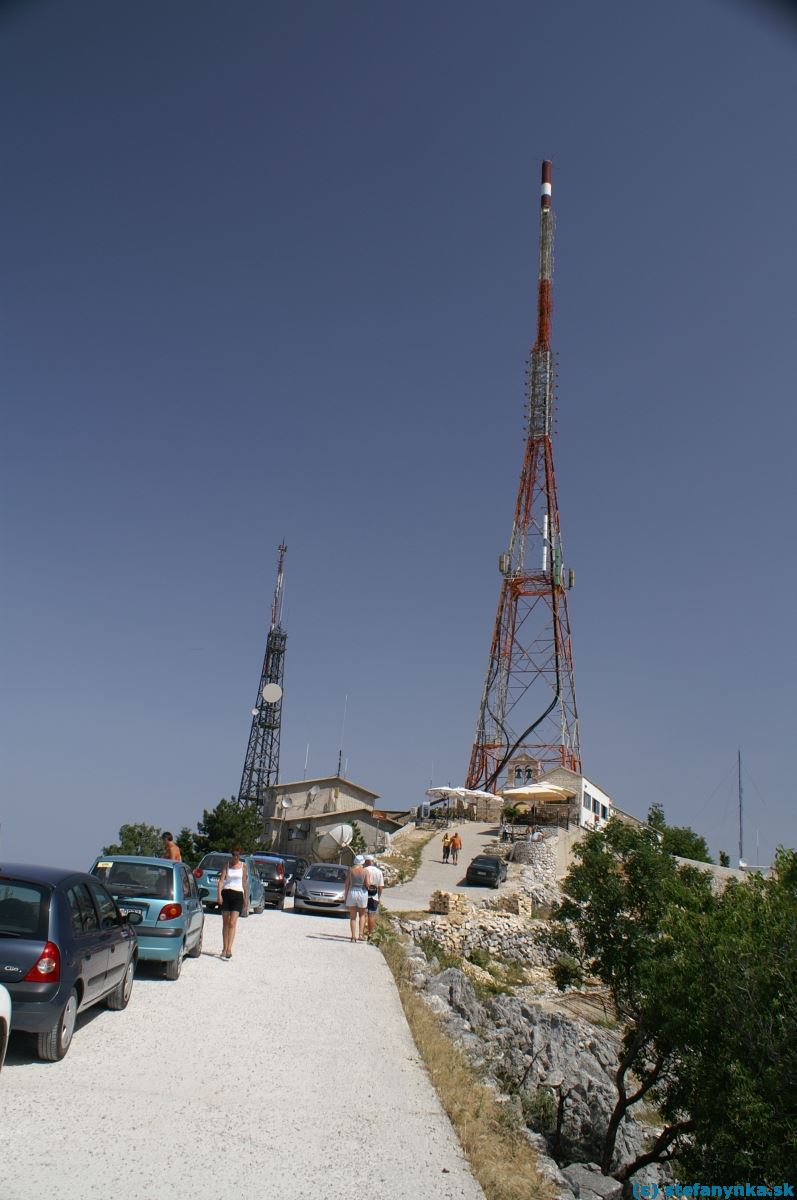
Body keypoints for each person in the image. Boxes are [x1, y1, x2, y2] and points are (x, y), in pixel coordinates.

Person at [217, 845, 249, 960]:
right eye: (234, 854)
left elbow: (245, 883)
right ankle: (224, 948)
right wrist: (219, 895)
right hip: (226, 893)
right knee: (225, 922)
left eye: (237, 855)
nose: (235, 857)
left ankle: (229, 949)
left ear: (240, 855)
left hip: (238, 895)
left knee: (232, 923)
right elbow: (221, 881)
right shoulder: (227, 865)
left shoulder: (243, 866)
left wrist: (246, 898)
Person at [344, 854, 369, 943]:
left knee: (353, 917)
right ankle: (361, 935)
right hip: (362, 892)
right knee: (362, 915)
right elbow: (368, 884)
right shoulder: (365, 871)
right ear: (363, 862)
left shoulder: (351, 870)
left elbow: (347, 884)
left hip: (352, 892)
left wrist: (345, 896)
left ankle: (353, 936)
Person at [363, 855, 384, 939]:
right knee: (371, 915)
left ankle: (362, 932)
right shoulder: (379, 871)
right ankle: (371, 934)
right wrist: (379, 897)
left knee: (363, 914)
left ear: (366, 861)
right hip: (374, 895)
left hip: (364, 894)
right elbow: (381, 886)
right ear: (372, 861)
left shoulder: (364, 870)